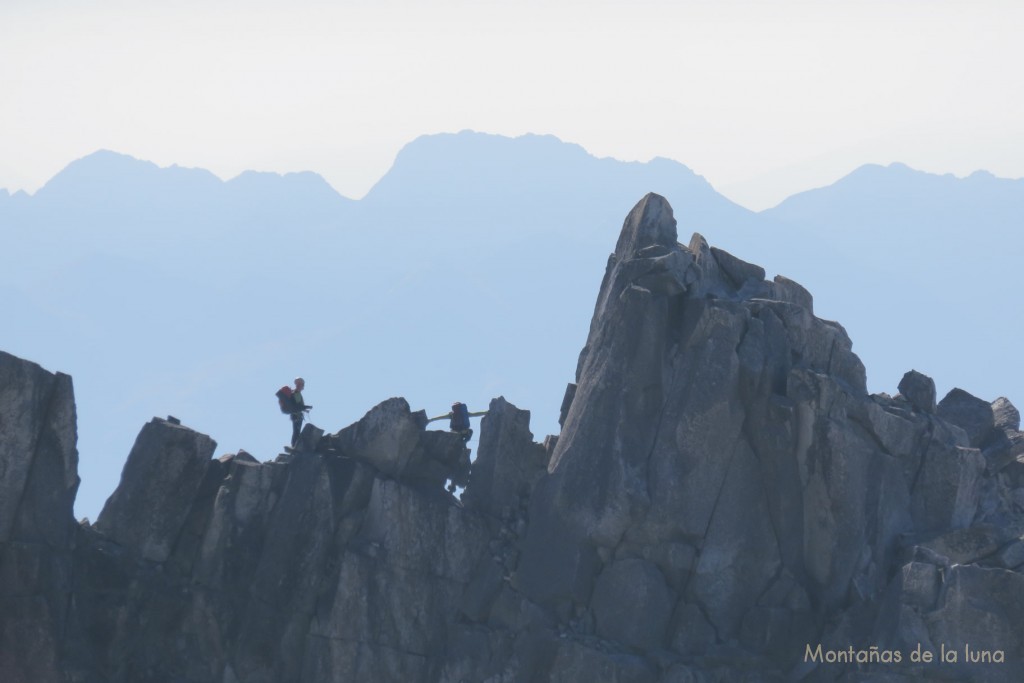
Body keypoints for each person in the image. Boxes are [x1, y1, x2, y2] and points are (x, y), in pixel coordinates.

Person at [288, 377, 312, 447]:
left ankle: (294, 446)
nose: (303, 386)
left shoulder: (294, 393)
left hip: (295, 415)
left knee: (296, 431)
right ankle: (294, 446)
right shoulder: (296, 393)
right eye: (302, 384)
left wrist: (305, 409)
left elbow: (297, 405)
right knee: (296, 431)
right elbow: (298, 406)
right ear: (299, 385)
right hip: (297, 415)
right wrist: (306, 407)